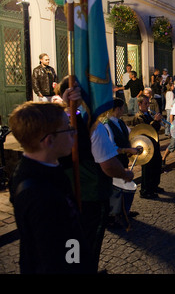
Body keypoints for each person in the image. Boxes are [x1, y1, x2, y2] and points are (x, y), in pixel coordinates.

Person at [9, 101, 96, 274]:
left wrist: (74, 107)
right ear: (49, 141)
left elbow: (83, 148)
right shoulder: (40, 196)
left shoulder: (45, 164)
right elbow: (59, 255)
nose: (73, 132)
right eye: (68, 128)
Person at [58, 77, 134, 271]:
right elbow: (108, 165)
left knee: (71, 244)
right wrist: (125, 174)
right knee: (89, 243)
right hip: (90, 197)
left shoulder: (55, 122)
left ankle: (73, 267)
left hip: (65, 196)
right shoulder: (92, 125)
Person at [104, 98, 141, 222]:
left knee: (124, 186)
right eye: (122, 107)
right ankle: (113, 217)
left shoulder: (120, 122)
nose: (124, 110)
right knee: (116, 189)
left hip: (123, 159)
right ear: (118, 109)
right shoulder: (106, 124)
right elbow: (111, 147)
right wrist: (128, 150)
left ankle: (125, 210)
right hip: (115, 160)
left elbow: (130, 135)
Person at [132, 95, 164, 199]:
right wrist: (155, 121)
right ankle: (145, 190)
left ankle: (154, 186)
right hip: (146, 146)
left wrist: (158, 122)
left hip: (154, 144)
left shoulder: (148, 114)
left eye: (148, 103)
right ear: (139, 104)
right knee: (147, 170)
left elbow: (155, 129)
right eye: (145, 103)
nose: (147, 105)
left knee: (157, 165)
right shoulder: (138, 116)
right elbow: (146, 130)